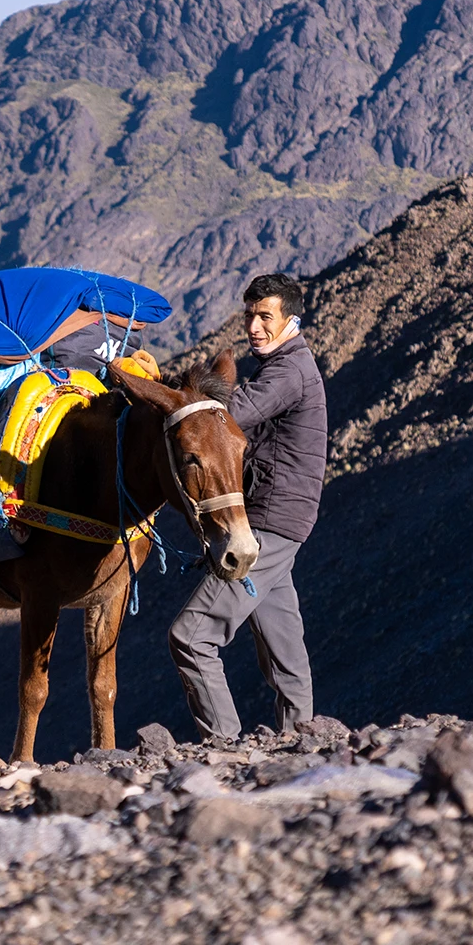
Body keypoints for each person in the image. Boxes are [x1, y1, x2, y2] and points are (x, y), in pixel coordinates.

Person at [167, 272, 325, 739]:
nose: (254, 327)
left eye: (265, 317)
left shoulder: (287, 371)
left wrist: (167, 393)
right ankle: (302, 744)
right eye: (250, 316)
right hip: (284, 521)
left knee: (191, 637)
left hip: (269, 524)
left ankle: (224, 746)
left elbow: (222, 418)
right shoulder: (288, 365)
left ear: (290, 320)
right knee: (284, 650)